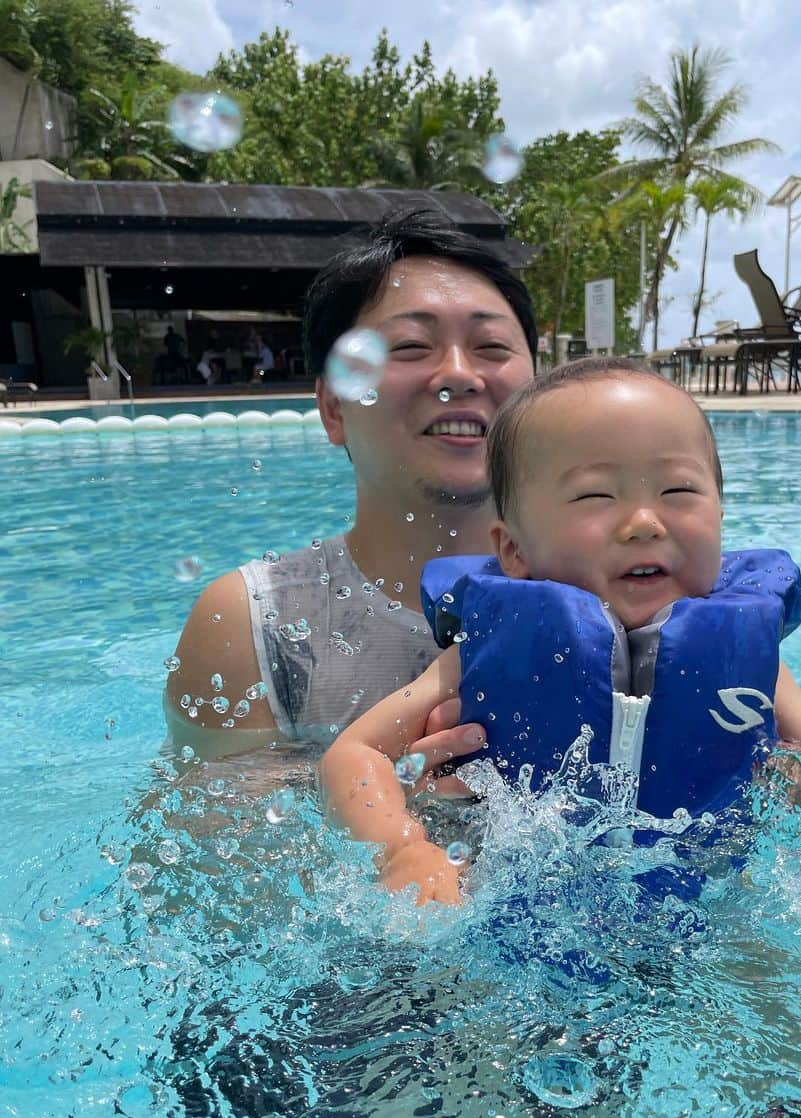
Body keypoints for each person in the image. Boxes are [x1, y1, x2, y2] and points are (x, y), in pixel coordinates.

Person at [320, 358, 801, 906]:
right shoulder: (479, 656)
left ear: (721, 516)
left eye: (678, 491)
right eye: (597, 495)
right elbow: (354, 753)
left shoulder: (755, 665)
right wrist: (403, 849)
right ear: (514, 550)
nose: (644, 523)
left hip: (714, 912)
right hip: (521, 914)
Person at [165, 209, 538, 766]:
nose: (460, 374)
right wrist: (389, 814)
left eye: (492, 348)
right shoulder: (257, 626)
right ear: (333, 407)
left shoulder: (619, 581)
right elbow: (217, 845)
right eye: (411, 346)